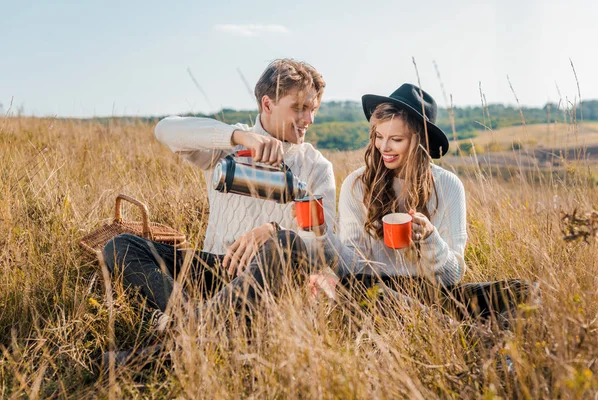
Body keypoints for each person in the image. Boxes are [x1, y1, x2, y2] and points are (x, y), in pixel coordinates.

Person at [102, 59, 336, 325]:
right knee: (121, 245)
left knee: (284, 243)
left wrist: (274, 231)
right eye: (299, 108)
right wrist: (239, 137)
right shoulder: (227, 145)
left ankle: (188, 329)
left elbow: (327, 250)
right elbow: (164, 129)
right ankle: (196, 322)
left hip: (269, 278)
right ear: (267, 104)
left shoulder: (317, 167)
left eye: (313, 109)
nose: (309, 119)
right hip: (215, 269)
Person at [312, 83, 534, 324]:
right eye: (379, 136)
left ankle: (452, 328)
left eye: (396, 139)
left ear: (419, 142)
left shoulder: (448, 185)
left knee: (523, 291)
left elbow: (452, 276)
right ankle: (465, 334)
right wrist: (322, 233)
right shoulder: (356, 184)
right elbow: (351, 269)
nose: (384, 147)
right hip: (380, 293)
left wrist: (430, 238)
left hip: (433, 293)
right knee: (353, 286)